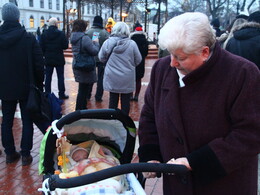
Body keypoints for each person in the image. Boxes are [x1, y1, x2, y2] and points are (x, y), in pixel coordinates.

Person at [138, 12, 260, 195]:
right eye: (171, 54)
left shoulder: (242, 73)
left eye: (181, 57)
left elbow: (250, 133)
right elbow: (149, 116)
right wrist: (151, 155)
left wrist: (196, 162)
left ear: (204, 52)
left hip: (224, 185)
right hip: (177, 186)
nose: (172, 63)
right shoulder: (161, 69)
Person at [0, 3, 45, 165]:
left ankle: (10, 153)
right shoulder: (28, 38)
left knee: (6, 121)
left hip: (5, 87)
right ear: (17, 17)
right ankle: (26, 154)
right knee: (27, 121)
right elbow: (39, 64)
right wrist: (39, 84)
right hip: (27, 86)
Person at [98, 22, 142, 115]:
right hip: (127, 76)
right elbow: (138, 60)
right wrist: (130, 65)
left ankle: (112, 120)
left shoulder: (108, 42)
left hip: (112, 76)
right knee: (126, 101)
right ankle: (124, 122)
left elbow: (101, 58)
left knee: (113, 99)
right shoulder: (132, 44)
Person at [70, 19, 99, 110]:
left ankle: (81, 108)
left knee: (82, 88)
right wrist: (96, 42)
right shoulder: (84, 38)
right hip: (85, 66)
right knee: (83, 90)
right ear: (84, 27)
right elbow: (94, 51)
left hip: (77, 64)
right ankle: (80, 110)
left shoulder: (73, 37)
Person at [40, 17, 69, 99]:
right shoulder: (60, 33)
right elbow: (65, 46)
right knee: (60, 77)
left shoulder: (44, 34)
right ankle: (61, 93)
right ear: (56, 24)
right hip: (59, 58)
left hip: (48, 58)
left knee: (48, 77)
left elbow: (41, 47)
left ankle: (47, 93)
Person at [86, 16, 110, 102]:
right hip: (101, 59)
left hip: (90, 58)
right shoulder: (105, 33)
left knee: (90, 77)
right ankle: (98, 96)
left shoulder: (88, 32)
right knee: (101, 79)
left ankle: (88, 95)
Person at [129, 26, 149, 101]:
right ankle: (136, 95)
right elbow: (146, 52)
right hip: (141, 61)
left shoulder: (131, 39)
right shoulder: (144, 40)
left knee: (131, 79)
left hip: (131, 61)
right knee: (138, 79)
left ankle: (130, 95)